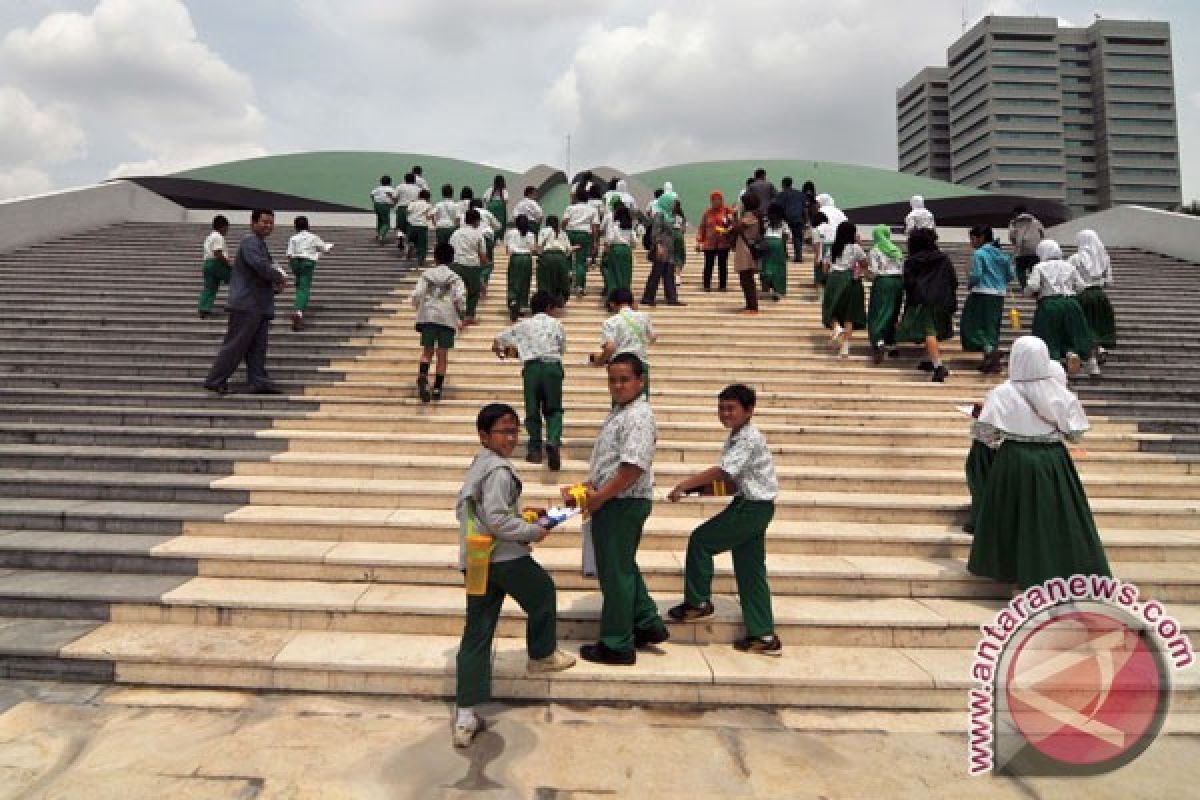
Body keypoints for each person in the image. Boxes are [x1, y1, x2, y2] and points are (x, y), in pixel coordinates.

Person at [452, 402, 576, 748]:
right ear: (483, 435)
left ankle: (465, 715)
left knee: (477, 629)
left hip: (477, 559)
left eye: (514, 431)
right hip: (503, 556)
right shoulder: (499, 470)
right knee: (543, 593)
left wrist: (524, 515)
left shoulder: (480, 464)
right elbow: (496, 518)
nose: (510, 438)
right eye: (503, 431)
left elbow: (481, 510)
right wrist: (533, 531)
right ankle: (542, 655)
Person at [966, 336, 1111, 589]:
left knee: (1011, 515)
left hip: (1014, 458)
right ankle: (1058, 570)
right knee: (1055, 516)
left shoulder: (1002, 393)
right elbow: (1076, 434)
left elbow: (985, 434)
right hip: (1052, 459)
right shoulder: (1059, 393)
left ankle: (1011, 569)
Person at [562, 353, 669, 665]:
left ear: (641, 380)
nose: (618, 385)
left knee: (615, 574)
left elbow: (632, 468)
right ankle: (646, 621)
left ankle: (617, 643)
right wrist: (586, 489)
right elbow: (610, 462)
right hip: (615, 499)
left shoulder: (638, 417)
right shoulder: (622, 412)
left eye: (625, 379)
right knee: (623, 566)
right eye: (613, 379)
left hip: (622, 502)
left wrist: (600, 497)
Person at [667, 383, 781, 656]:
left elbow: (722, 471)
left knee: (701, 541)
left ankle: (698, 603)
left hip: (751, 508)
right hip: (755, 505)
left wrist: (684, 484)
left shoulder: (747, 438)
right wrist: (699, 491)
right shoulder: (738, 436)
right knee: (750, 572)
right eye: (721, 408)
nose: (725, 414)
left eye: (731, 408)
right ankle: (763, 635)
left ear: (749, 410)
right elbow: (732, 480)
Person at [203, 210, 287, 395]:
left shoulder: (259, 244)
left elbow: (259, 273)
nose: (268, 226)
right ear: (253, 222)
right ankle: (215, 379)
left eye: (271, 223)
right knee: (236, 344)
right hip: (247, 304)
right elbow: (260, 266)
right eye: (264, 222)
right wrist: (278, 277)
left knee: (257, 346)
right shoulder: (250, 242)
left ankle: (259, 381)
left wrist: (274, 284)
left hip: (258, 304)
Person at [493, 290, 567, 470]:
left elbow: (498, 339)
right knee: (554, 408)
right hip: (552, 367)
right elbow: (562, 348)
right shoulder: (557, 324)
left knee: (532, 408)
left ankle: (534, 448)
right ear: (549, 307)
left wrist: (500, 350)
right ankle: (553, 440)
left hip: (532, 368)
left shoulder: (523, 325)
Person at [896, 227, 958, 383]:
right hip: (942, 299)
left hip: (922, 300)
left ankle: (938, 366)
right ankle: (932, 360)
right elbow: (953, 280)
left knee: (929, 331)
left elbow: (908, 283)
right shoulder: (943, 258)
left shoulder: (912, 261)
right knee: (933, 332)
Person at [410, 242, 467, 403]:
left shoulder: (427, 274)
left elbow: (418, 293)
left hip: (428, 316)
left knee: (427, 351)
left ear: (435, 257)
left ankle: (422, 376)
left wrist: (415, 305)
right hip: (447, 318)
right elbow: (459, 298)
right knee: (442, 354)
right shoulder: (455, 278)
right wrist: (461, 314)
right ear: (452, 259)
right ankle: (437, 388)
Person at [1025, 239, 1092, 376]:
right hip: (1071, 303)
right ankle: (1071, 353)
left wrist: (1027, 293)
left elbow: (1033, 286)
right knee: (1069, 334)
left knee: (1048, 336)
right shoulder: (1069, 266)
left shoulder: (1039, 267)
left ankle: (1053, 365)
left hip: (1050, 304)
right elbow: (1081, 286)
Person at [960, 224, 1016, 374]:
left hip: (981, 293)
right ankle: (990, 359)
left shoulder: (980, 254)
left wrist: (970, 283)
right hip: (998, 295)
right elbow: (1011, 275)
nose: (971, 242)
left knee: (973, 325)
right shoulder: (1002, 254)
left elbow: (977, 274)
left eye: (972, 238)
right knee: (991, 326)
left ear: (981, 238)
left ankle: (989, 350)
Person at [1068, 229, 1116, 377]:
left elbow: (1070, 278)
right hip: (1100, 295)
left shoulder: (1075, 259)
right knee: (1098, 325)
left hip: (1083, 295)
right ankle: (1100, 348)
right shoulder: (1104, 259)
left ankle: (1092, 363)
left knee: (1085, 328)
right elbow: (1109, 281)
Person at [595, 287, 656, 397]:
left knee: (621, 402)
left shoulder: (610, 322)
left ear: (612, 304)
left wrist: (600, 361)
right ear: (632, 302)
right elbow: (653, 337)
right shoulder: (644, 317)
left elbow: (610, 347)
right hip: (640, 363)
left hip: (620, 365)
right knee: (640, 403)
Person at [822, 220, 868, 358]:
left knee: (831, 308)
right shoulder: (856, 248)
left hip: (834, 278)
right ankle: (845, 348)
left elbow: (824, 268)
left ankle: (836, 328)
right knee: (849, 313)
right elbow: (865, 263)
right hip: (850, 280)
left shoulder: (833, 248)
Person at [285, 216, 334, 331]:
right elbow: (324, 249)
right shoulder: (313, 237)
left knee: (299, 285)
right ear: (307, 225)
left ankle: (298, 307)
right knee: (304, 287)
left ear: (295, 226)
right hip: (308, 262)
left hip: (295, 262)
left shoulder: (293, 238)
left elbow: (289, 254)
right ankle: (299, 312)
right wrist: (327, 248)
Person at [866, 224, 905, 363]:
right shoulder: (896, 249)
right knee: (893, 312)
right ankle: (891, 342)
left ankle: (878, 342)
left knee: (879, 312)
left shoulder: (875, 250)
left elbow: (874, 272)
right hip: (898, 283)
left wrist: (866, 273)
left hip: (883, 283)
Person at [641, 188, 685, 307]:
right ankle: (648, 297)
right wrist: (658, 245)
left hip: (669, 249)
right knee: (656, 273)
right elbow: (655, 232)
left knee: (669, 274)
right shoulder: (660, 215)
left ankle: (672, 298)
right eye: (673, 203)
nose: (674, 205)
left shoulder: (670, 216)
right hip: (662, 248)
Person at [449, 208, 490, 325]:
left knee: (456, 291)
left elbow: (450, 250)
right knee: (473, 292)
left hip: (455, 264)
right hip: (471, 265)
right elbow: (482, 255)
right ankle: (469, 316)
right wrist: (487, 265)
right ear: (476, 221)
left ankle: (456, 315)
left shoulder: (455, 233)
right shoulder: (478, 234)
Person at [563, 188, 600, 297]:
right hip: (584, 235)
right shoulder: (592, 210)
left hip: (569, 233)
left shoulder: (570, 208)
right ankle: (580, 287)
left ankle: (567, 280)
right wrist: (595, 241)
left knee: (567, 258)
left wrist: (561, 232)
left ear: (577, 197)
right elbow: (595, 227)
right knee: (580, 262)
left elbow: (564, 221)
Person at [696, 191, 734, 292]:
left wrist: (728, 228)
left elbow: (733, 224)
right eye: (713, 200)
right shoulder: (707, 213)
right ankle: (706, 285)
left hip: (723, 243)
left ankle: (722, 286)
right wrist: (699, 241)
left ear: (722, 200)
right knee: (708, 265)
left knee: (722, 265)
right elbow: (702, 227)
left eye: (718, 199)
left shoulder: (727, 211)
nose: (716, 202)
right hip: (709, 243)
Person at [732, 192, 763, 314]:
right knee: (746, 280)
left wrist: (734, 215)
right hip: (746, 250)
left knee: (747, 280)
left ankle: (752, 307)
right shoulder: (753, 214)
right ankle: (749, 305)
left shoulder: (750, 215)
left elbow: (737, 227)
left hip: (746, 251)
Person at [503, 214, 537, 321]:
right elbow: (533, 250)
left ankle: (513, 301)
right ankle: (522, 306)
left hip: (515, 258)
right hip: (527, 259)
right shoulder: (531, 234)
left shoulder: (510, 233)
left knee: (513, 281)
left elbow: (507, 250)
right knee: (525, 282)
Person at [197, 215, 231, 318]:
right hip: (216, 263)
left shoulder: (209, 237)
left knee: (210, 287)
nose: (227, 231)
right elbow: (218, 253)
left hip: (207, 263)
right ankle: (238, 304)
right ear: (223, 227)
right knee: (235, 279)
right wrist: (228, 265)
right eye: (227, 228)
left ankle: (204, 308)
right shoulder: (218, 237)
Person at [536, 215, 573, 305]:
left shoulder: (543, 231)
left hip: (547, 256)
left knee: (546, 280)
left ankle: (546, 301)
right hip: (561, 257)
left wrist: (539, 255)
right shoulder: (563, 233)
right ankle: (560, 298)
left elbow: (540, 246)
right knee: (560, 279)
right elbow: (569, 249)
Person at [602, 205, 638, 295]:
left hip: (615, 250)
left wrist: (606, 247)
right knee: (626, 274)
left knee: (614, 275)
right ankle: (625, 298)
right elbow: (634, 242)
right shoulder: (630, 227)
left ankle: (613, 298)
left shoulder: (615, 226)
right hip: (626, 250)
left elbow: (609, 239)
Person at [1008, 206, 1045, 291]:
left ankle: (1024, 287)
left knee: (1020, 270)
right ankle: (1034, 288)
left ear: (1016, 213)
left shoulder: (1014, 222)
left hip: (1021, 250)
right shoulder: (1036, 221)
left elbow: (1011, 236)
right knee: (1033, 270)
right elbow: (1042, 234)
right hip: (1035, 250)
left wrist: (1016, 244)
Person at [760, 203, 790, 301]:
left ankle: (766, 288)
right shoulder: (783, 222)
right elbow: (786, 236)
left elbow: (761, 233)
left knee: (766, 266)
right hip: (778, 243)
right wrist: (785, 250)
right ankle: (778, 290)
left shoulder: (765, 221)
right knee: (779, 268)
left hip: (766, 242)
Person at [471, 197, 503, 292]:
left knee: (474, 262)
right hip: (486, 238)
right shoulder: (487, 213)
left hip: (472, 238)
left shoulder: (467, 213)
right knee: (488, 263)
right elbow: (498, 226)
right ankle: (483, 279)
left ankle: (475, 284)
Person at [776, 177, 808, 263]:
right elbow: (805, 209)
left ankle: (784, 254)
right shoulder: (800, 194)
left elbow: (778, 208)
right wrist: (806, 221)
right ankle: (798, 256)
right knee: (797, 237)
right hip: (798, 218)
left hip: (785, 219)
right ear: (791, 183)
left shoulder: (780, 195)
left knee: (783, 237)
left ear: (783, 184)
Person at [393, 174, 420, 254]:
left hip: (402, 208)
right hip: (413, 209)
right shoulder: (418, 189)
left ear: (405, 179)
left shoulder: (400, 186)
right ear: (414, 180)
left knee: (400, 226)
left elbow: (395, 197)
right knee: (410, 227)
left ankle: (400, 237)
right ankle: (410, 243)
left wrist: (395, 204)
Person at [810, 211, 834, 300]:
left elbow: (817, 244)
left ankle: (821, 297)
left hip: (823, 250)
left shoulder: (816, 229)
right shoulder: (833, 227)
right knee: (830, 274)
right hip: (834, 250)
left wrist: (817, 258)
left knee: (819, 274)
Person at [406, 189, 434, 266]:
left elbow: (408, 211)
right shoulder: (428, 205)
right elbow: (429, 216)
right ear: (428, 198)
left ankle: (411, 244)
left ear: (419, 196)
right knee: (422, 245)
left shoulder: (413, 203)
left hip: (412, 225)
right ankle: (420, 261)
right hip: (422, 226)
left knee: (413, 240)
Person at [369, 176, 397, 243]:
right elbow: (394, 197)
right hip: (385, 205)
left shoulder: (377, 188)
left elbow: (371, 195)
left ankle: (378, 233)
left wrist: (374, 201)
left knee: (380, 220)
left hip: (376, 205)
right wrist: (393, 204)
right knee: (386, 223)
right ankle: (381, 235)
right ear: (390, 182)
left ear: (381, 182)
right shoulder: (391, 189)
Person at [433, 184, 461, 249]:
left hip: (440, 227)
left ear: (442, 194)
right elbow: (457, 218)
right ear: (452, 193)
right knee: (451, 246)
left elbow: (431, 215)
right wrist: (456, 226)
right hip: (451, 227)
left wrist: (435, 224)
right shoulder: (455, 205)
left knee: (441, 246)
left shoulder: (438, 204)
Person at [671, 199, 687, 277]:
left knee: (671, 255)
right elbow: (684, 229)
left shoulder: (667, 215)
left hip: (669, 235)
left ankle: (671, 274)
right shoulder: (682, 217)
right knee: (679, 255)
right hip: (679, 235)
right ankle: (677, 275)